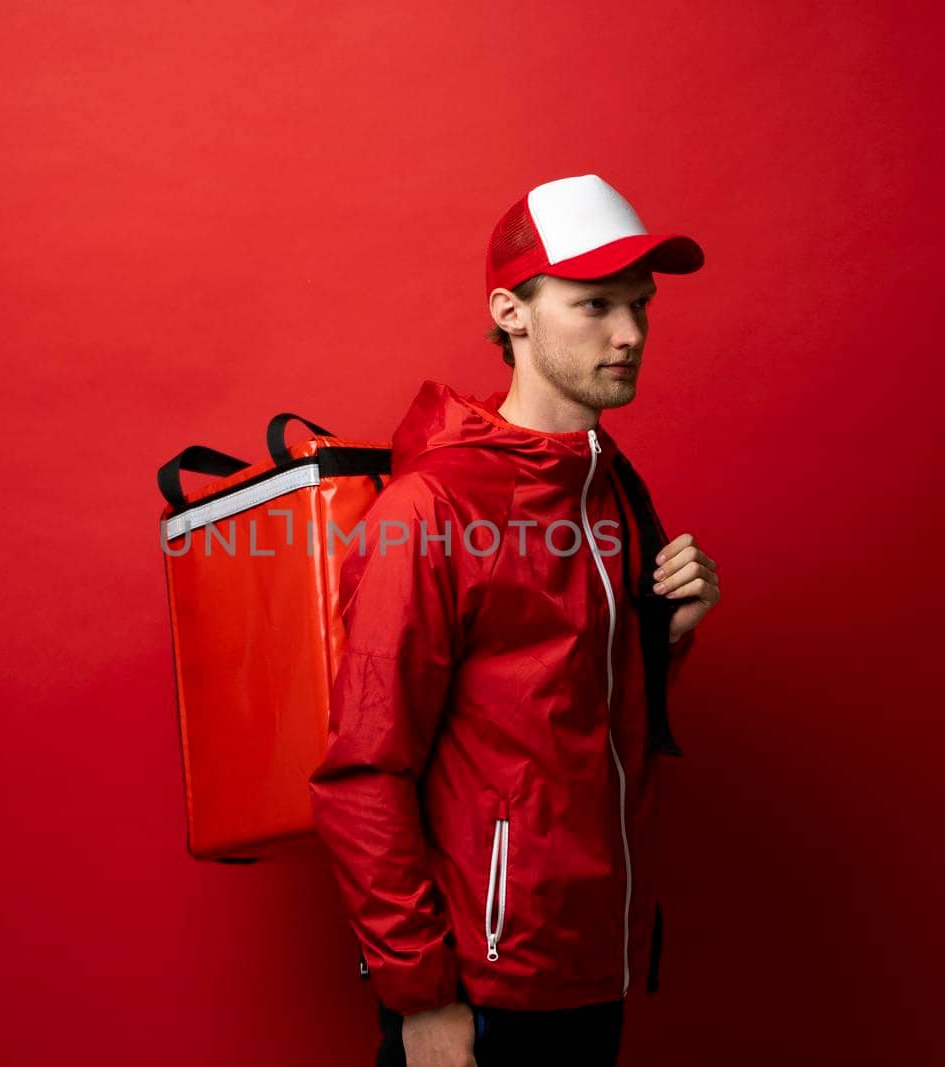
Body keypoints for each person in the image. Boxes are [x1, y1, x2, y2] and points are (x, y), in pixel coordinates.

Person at [308, 174, 721, 1067]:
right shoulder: (430, 507)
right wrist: (421, 998)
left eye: (640, 306)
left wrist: (669, 637)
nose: (630, 334)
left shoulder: (609, 488)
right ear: (513, 312)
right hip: (485, 988)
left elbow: (574, 722)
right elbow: (364, 769)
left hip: (592, 962)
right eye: (595, 305)